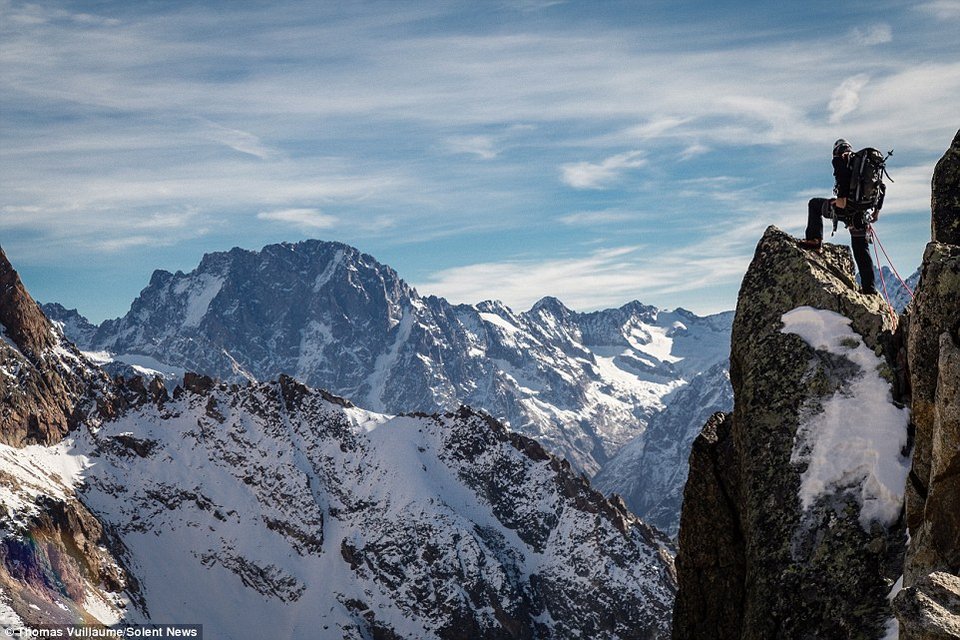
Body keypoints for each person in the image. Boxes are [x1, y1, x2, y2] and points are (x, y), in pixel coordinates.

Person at [799, 138, 878, 295]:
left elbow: (842, 178)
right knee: (861, 249)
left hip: (845, 208)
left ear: (836, 150)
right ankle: (869, 288)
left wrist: (841, 200)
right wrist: (876, 211)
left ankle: (814, 241)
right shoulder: (863, 164)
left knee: (814, 205)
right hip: (861, 213)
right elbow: (881, 186)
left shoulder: (839, 159)